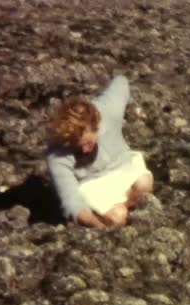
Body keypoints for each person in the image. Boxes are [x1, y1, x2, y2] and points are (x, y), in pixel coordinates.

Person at [46, 75, 154, 229]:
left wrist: (133, 106)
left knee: (144, 183)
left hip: (122, 167)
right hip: (92, 185)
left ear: (97, 126)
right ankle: (115, 215)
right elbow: (71, 201)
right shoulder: (57, 154)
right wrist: (99, 226)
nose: (84, 150)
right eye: (77, 146)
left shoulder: (108, 110)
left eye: (88, 143)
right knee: (117, 217)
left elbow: (121, 81)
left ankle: (127, 208)